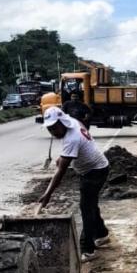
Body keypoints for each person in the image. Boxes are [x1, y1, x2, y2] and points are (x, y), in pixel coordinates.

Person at [38, 107, 110, 262]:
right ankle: (102, 233)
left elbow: (61, 172)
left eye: (55, 128)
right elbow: (66, 156)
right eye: (50, 129)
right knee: (90, 204)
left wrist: (47, 195)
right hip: (94, 169)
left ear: (63, 123)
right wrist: (62, 157)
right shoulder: (73, 121)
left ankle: (88, 249)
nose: (53, 132)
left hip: (95, 171)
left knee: (86, 208)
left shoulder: (72, 139)